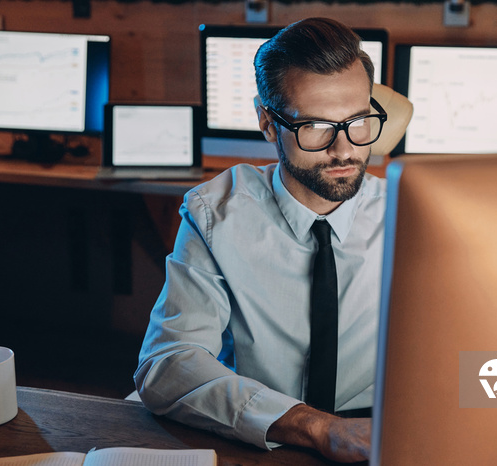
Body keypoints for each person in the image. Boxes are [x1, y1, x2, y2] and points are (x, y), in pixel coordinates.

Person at [134, 17, 387, 463]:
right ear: (268, 124)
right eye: (315, 127)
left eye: (357, 121)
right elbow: (166, 365)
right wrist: (318, 428)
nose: (344, 150)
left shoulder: (408, 215)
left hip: (380, 432)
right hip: (263, 435)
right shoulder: (216, 215)